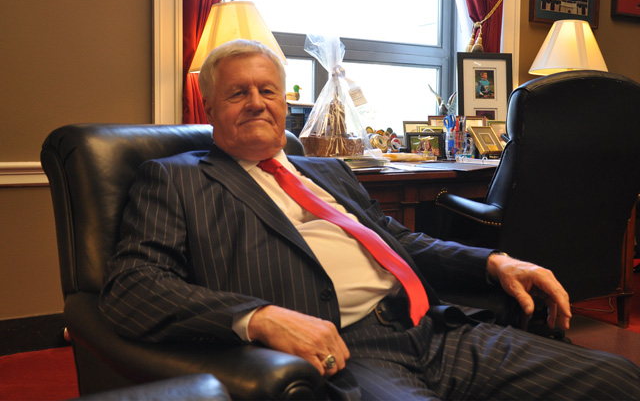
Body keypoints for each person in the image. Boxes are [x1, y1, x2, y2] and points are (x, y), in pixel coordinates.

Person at [100, 40, 640, 400]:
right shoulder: (175, 179)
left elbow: (402, 242)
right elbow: (133, 287)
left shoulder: (327, 171)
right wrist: (258, 316)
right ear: (209, 103)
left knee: (619, 380)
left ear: (286, 104)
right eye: (238, 92)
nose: (257, 103)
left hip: (434, 330)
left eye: (268, 91)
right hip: (344, 351)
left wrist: (496, 261)